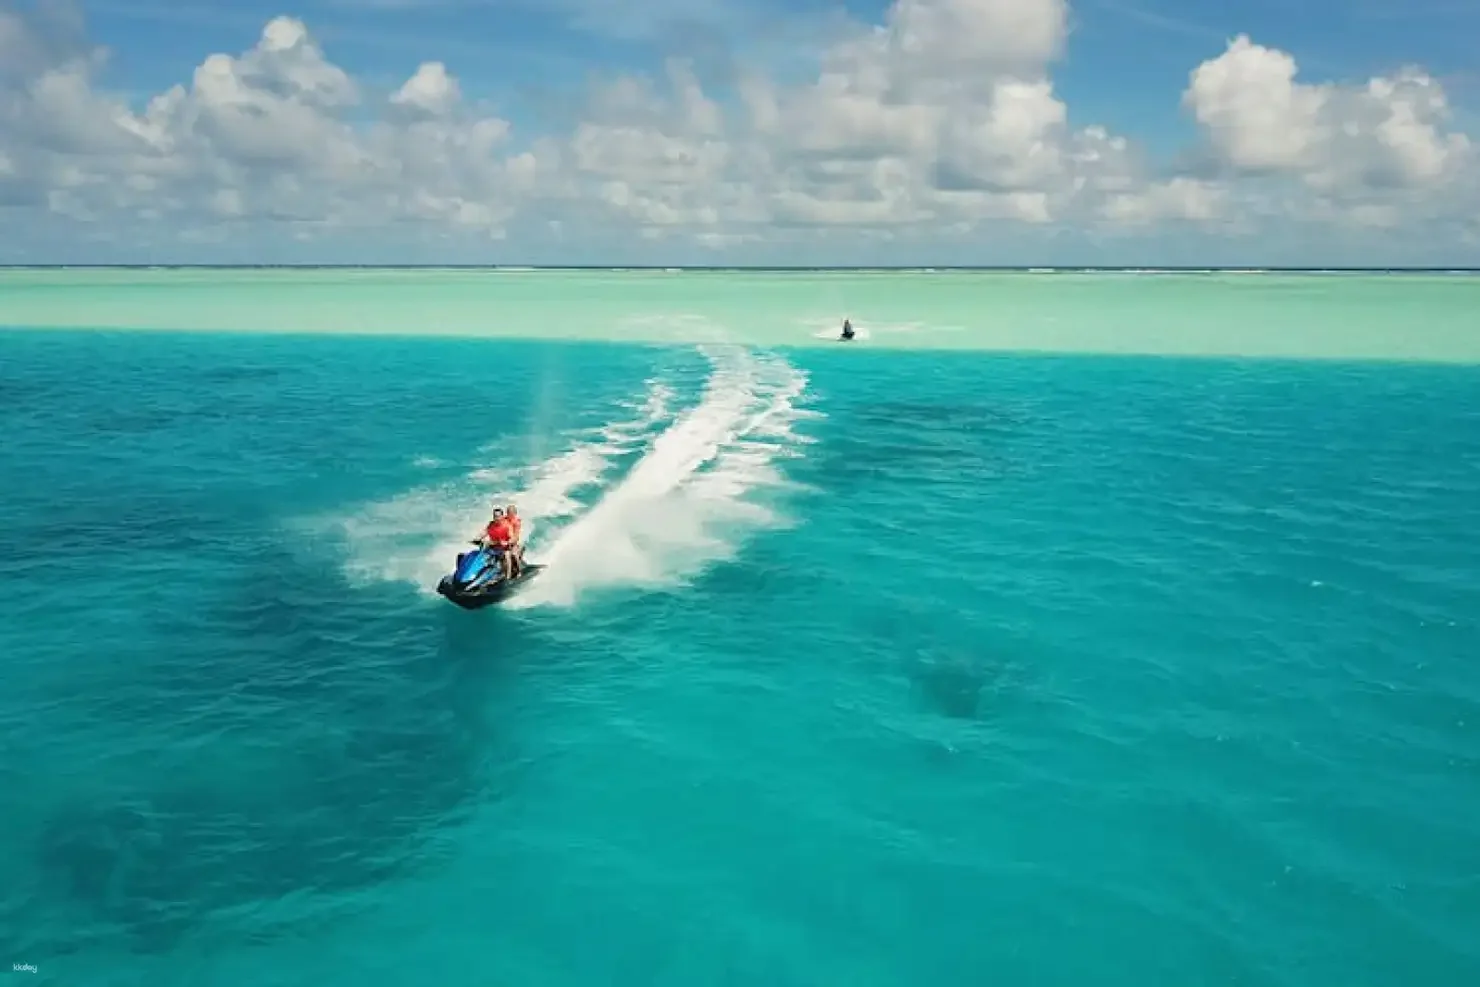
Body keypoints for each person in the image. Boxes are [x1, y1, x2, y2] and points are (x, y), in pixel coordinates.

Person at [480, 506, 516, 579]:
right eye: (494, 516)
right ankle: (480, 576)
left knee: (507, 555)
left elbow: (512, 537)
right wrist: (477, 538)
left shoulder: (507, 525)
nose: (496, 518)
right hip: (494, 547)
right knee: (481, 554)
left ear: (502, 517)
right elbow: (484, 533)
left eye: (498, 516)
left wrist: (507, 542)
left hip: (505, 548)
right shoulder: (491, 525)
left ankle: (508, 578)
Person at [504, 504, 524, 577]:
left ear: (515, 513)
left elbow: (516, 536)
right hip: (502, 543)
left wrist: (510, 542)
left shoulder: (516, 523)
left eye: (512, 513)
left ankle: (519, 571)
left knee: (514, 554)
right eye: (508, 512)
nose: (510, 514)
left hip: (512, 543)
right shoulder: (504, 520)